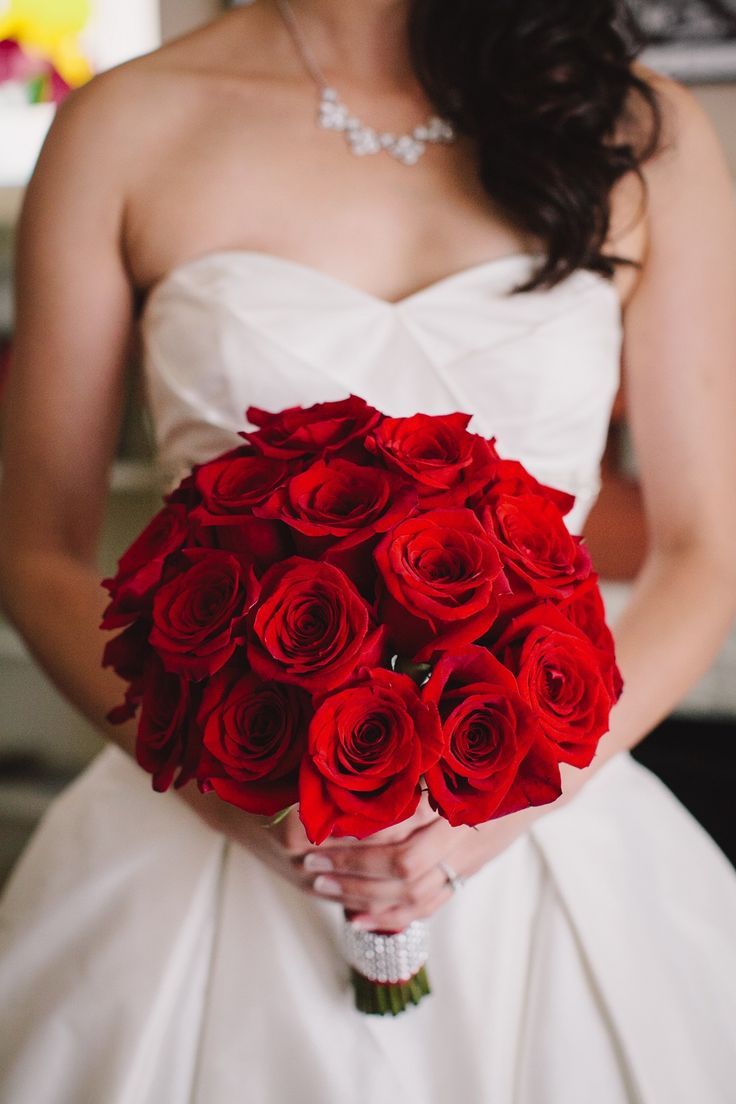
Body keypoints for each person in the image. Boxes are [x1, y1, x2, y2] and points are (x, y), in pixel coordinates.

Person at [1, 1, 735, 1100]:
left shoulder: (639, 129)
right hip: (205, 821)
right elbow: (36, 551)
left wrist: (524, 792)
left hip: (548, 827)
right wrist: (229, 790)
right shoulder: (122, 124)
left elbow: (701, 550)